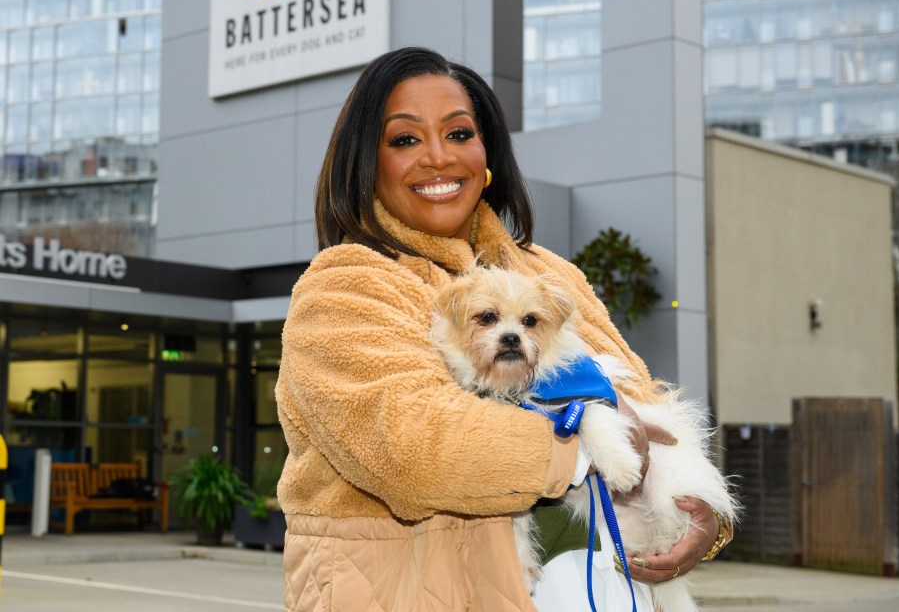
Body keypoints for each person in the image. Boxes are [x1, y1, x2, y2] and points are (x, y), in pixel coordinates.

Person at [275, 46, 730, 611]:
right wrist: (584, 441)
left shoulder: (549, 272)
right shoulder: (346, 283)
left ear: (488, 154)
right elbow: (409, 444)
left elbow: (640, 402)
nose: (438, 158)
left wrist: (694, 510)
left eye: (460, 133)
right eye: (405, 139)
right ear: (367, 162)